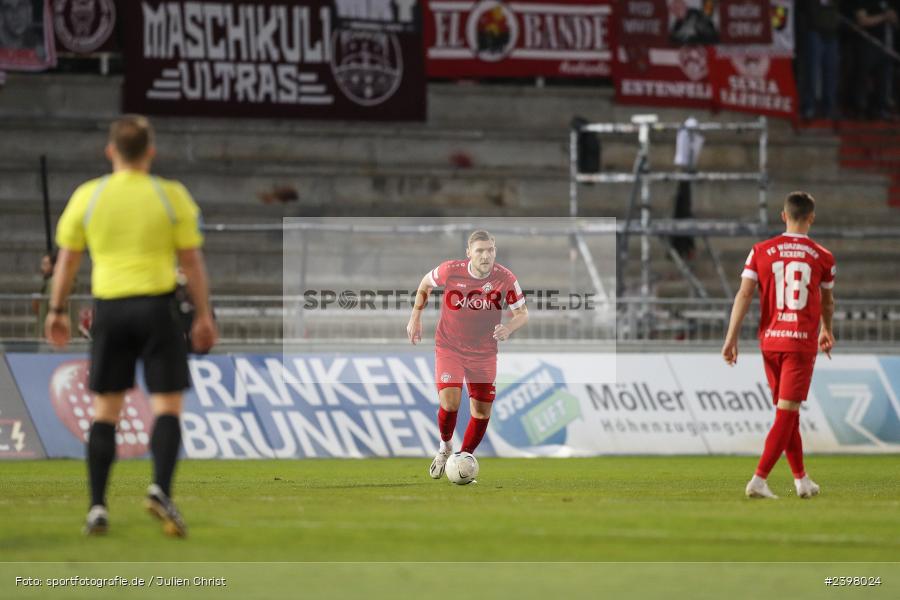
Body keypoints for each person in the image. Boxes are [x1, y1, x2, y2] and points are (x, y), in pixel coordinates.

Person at [46, 115, 217, 536]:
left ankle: (97, 507)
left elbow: (67, 261)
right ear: (150, 152)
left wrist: (57, 310)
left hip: (110, 309)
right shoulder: (170, 195)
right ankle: (160, 489)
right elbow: (192, 261)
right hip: (158, 308)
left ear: (111, 151)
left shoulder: (88, 195)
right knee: (167, 406)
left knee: (105, 411)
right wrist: (203, 314)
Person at [721, 191, 836, 500]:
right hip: (799, 342)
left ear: (783, 216)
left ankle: (802, 480)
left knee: (788, 413)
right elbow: (827, 301)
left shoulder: (760, 251)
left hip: (770, 342)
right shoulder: (823, 256)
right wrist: (826, 329)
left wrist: (731, 337)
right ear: (811, 218)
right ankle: (758, 480)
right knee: (787, 414)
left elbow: (744, 294)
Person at [406, 230, 528, 479]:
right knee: (450, 402)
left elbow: (522, 313)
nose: (486, 255)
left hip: (484, 353)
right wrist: (415, 317)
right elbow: (425, 283)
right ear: (469, 253)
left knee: (481, 412)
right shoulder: (451, 270)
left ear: (495, 251)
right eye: (480, 251)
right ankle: (445, 447)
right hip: (450, 347)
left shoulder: (505, 278)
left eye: (490, 250)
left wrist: (508, 328)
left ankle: (463, 458)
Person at [851, 0, 898, 119]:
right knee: (863, 77)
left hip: (886, 45)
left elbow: (894, 22)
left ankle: (880, 108)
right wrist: (884, 16)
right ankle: (859, 108)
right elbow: (862, 20)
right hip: (869, 43)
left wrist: (893, 19)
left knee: (883, 79)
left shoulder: (888, 3)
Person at [799, 0, 841, 120]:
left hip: (832, 32)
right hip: (814, 30)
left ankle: (829, 108)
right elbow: (804, 6)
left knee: (831, 72)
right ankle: (809, 107)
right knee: (812, 71)